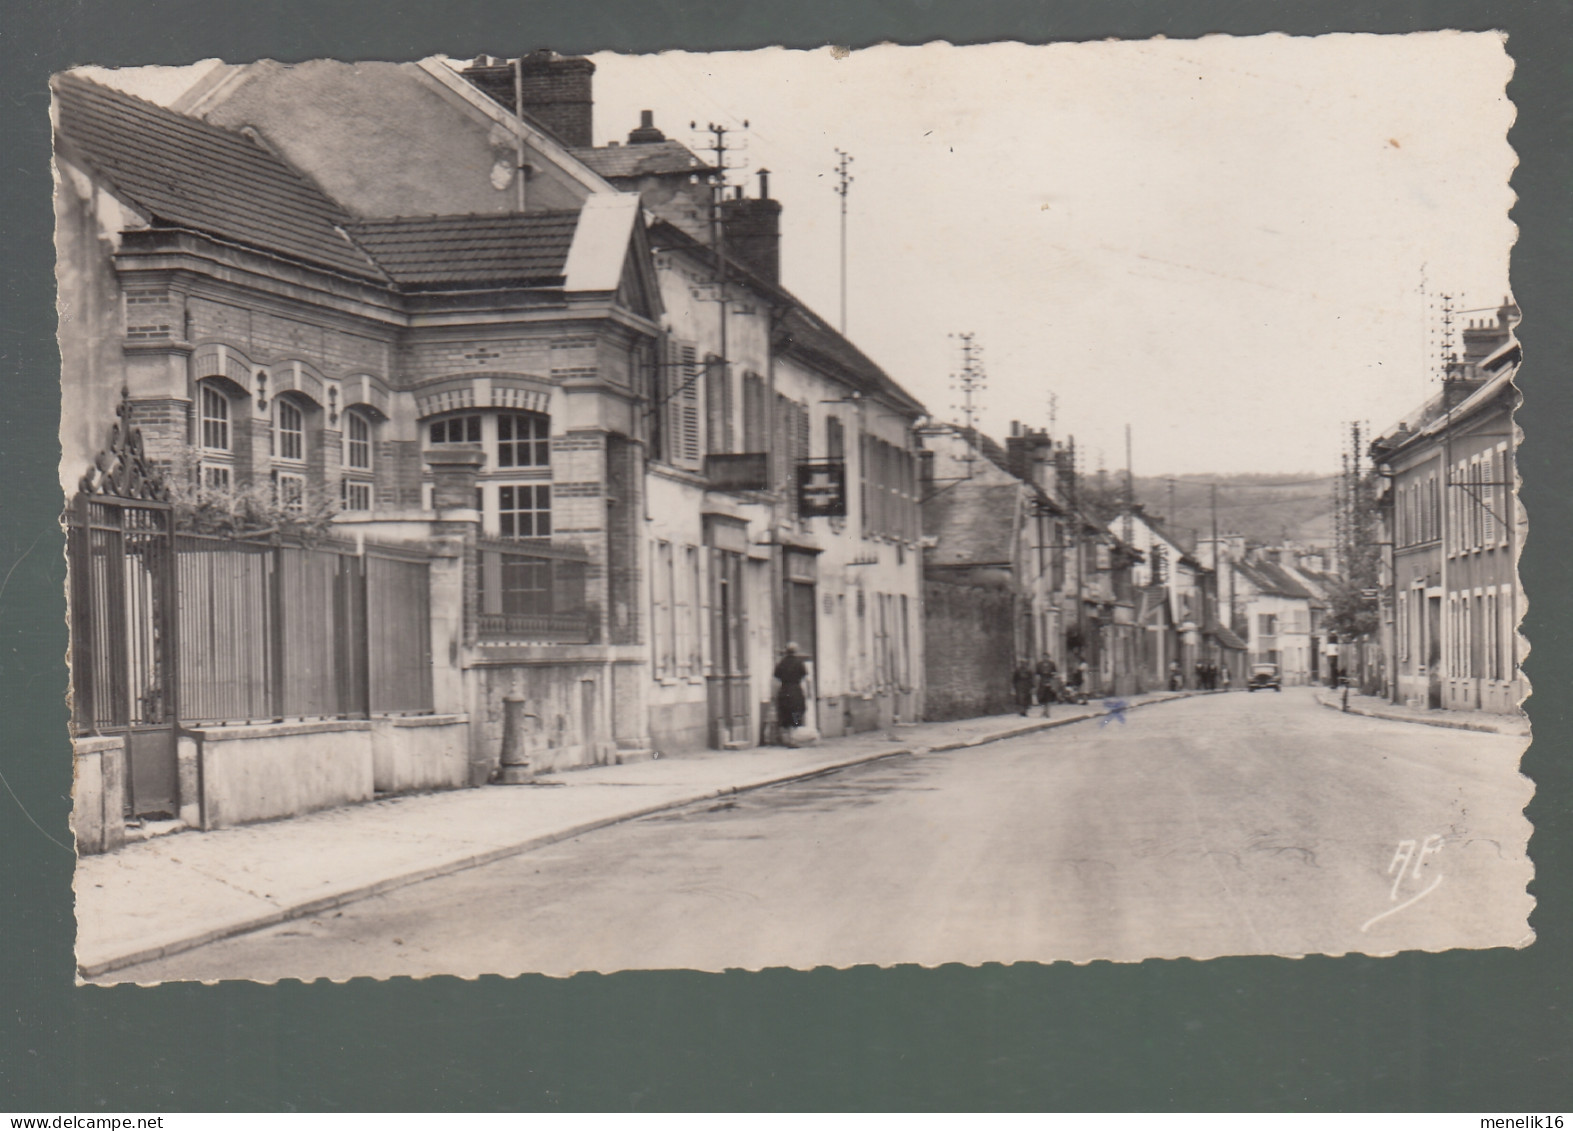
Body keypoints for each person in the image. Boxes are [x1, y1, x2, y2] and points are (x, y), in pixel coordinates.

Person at [773, 642, 808, 735]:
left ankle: (787, 735)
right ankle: (796, 733)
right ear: (796, 651)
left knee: (785, 712)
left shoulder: (781, 663)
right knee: (796, 711)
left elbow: (776, 676)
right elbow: (804, 676)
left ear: (786, 651)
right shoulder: (799, 663)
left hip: (784, 690)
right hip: (796, 690)